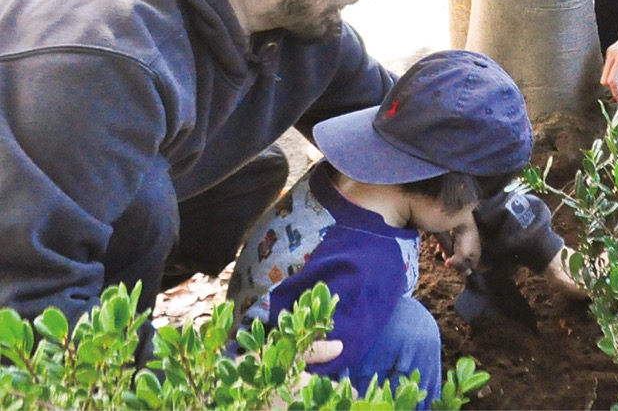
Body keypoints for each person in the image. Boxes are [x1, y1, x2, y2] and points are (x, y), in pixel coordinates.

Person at [0, 0, 453, 330]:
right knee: (145, 202)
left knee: (252, 173)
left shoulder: (301, 33)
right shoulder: (109, 57)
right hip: (19, 273)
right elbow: (31, 309)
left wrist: (490, 213)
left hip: (52, 239)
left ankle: (127, 323)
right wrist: (203, 384)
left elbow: (409, 124)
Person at [227, 50, 576, 406]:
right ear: (452, 194)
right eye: (472, 202)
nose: (469, 213)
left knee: (413, 328)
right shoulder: (368, 271)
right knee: (415, 330)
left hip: (267, 312)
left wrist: (463, 218)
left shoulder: (346, 178)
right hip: (283, 377)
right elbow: (308, 389)